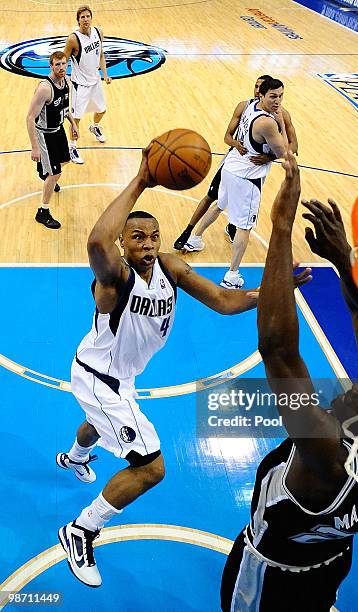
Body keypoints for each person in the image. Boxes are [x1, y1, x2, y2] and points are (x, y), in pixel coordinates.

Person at [220, 152, 358, 611]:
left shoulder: (324, 457)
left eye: (356, 396)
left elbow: (279, 350)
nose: (353, 388)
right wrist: (342, 257)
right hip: (333, 563)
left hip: (268, 581)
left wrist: (279, 226)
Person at [56, 144, 267, 588]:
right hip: (99, 379)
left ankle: (73, 457)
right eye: (137, 238)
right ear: (123, 244)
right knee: (150, 467)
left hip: (118, 376)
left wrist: (273, 292)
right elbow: (96, 241)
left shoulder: (169, 268)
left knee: (99, 424)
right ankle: (81, 529)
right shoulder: (114, 281)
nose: (148, 245)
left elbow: (226, 302)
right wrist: (141, 180)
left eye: (153, 237)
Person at [184, 79, 289, 289]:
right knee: (244, 226)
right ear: (261, 95)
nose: (278, 101)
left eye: (281, 96)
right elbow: (283, 152)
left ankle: (194, 239)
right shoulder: (268, 122)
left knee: (220, 204)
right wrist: (282, 124)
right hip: (247, 177)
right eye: (273, 96)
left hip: (231, 166)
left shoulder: (249, 106)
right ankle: (232, 275)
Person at [26, 51, 79, 230]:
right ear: (51, 66)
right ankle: (43, 211)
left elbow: (65, 107)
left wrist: (73, 124)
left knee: (65, 160)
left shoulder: (67, 82)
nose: (61, 67)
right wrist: (35, 148)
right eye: (57, 64)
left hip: (58, 130)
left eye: (64, 64)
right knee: (55, 174)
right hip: (44, 134)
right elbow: (30, 117)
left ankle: (44, 170)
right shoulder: (44, 88)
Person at [64, 5, 112, 165]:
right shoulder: (73, 39)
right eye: (82, 17)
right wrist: (61, 80)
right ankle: (72, 147)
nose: (85, 19)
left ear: (91, 18)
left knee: (102, 110)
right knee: (75, 119)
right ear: (78, 20)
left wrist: (105, 75)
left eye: (87, 16)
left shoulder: (98, 32)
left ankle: (95, 126)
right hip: (80, 85)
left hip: (95, 81)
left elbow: (101, 54)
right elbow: (63, 60)